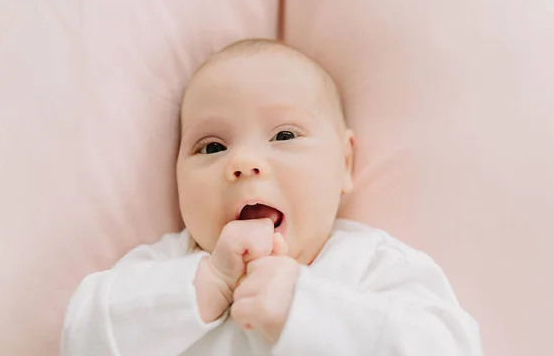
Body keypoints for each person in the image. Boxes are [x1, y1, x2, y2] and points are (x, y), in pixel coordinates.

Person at [61, 39, 482, 355]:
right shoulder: (170, 265)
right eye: (211, 147)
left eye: (284, 135)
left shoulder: (372, 265)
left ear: (346, 163)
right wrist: (200, 288)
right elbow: (83, 337)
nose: (243, 162)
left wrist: (305, 307)